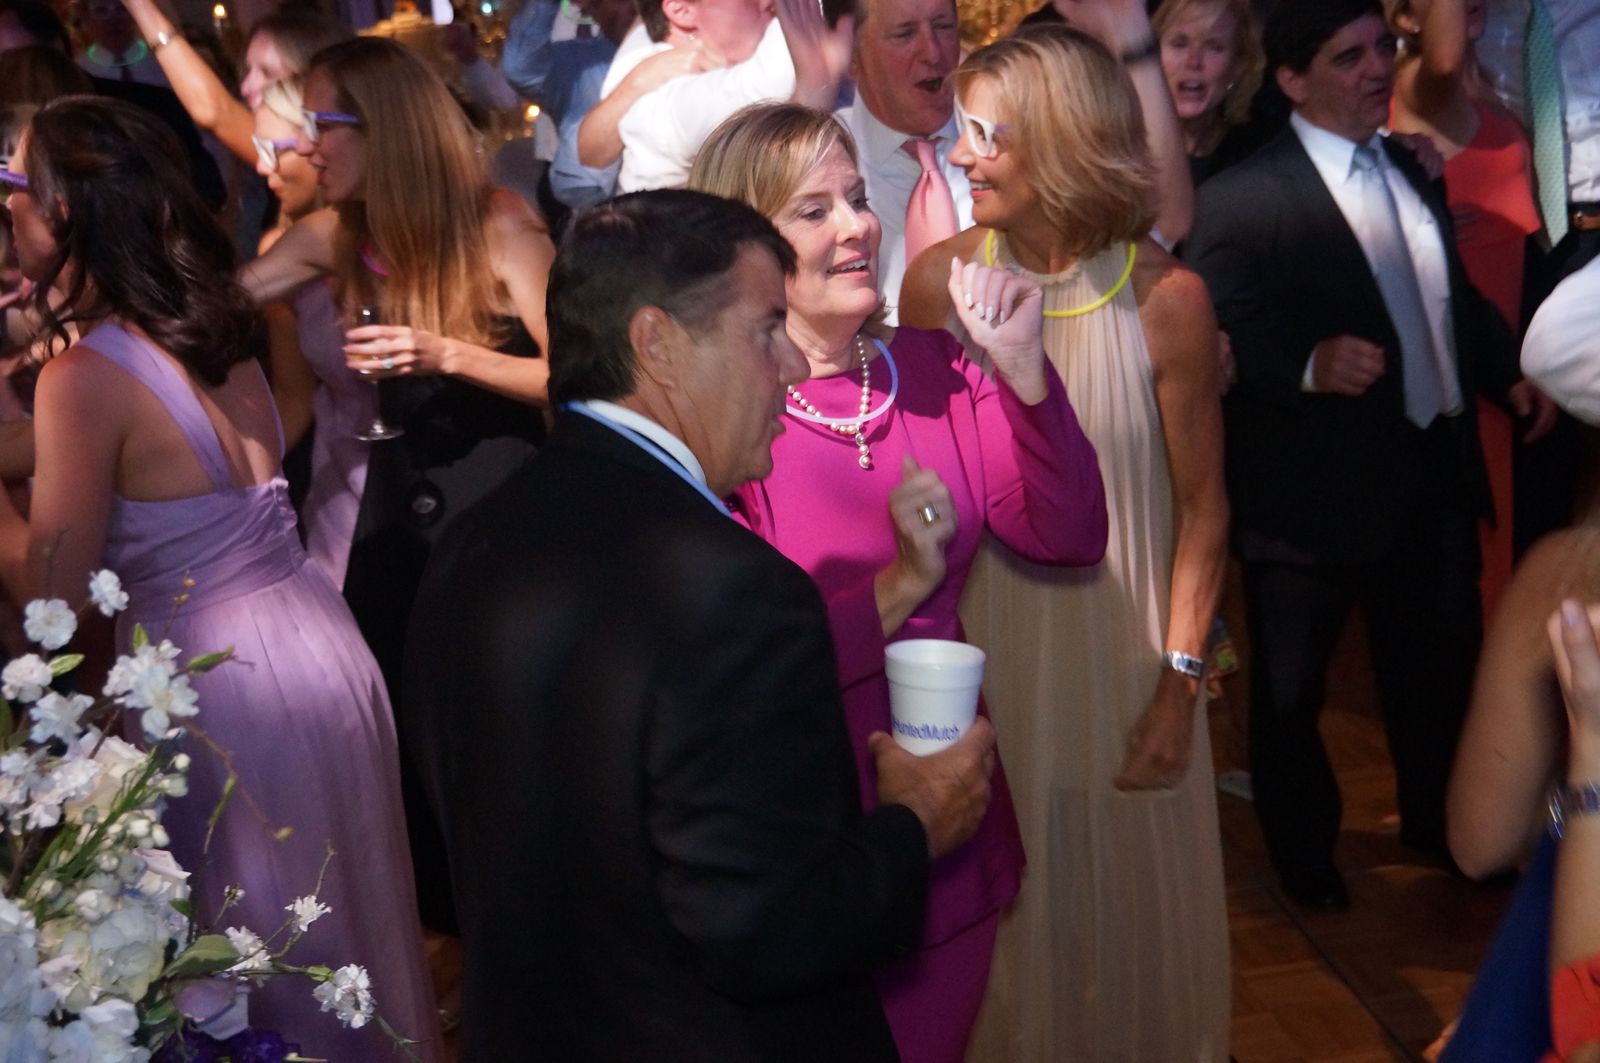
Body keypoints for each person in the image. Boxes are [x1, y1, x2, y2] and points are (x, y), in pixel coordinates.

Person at [405, 187, 998, 1058]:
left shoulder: (467, 544)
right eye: (766, 329)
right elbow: (770, 928)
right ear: (658, 343)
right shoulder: (738, 595)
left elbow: (454, 863)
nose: (790, 367)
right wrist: (916, 823)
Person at [0, 96, 440, 1059]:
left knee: (257, 966)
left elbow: (52, 605)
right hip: (317, 642)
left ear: (64, 210)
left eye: (13, 185)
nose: (4, 208)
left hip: (220, 689)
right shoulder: (211, 328)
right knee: (345, 931)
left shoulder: (84, 377)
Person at [689, 102, 1109, 1062]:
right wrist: (899, 587)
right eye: (813, 211)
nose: (855, 227)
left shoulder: (934, 368)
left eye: (856, 199)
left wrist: (1024, 372)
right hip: (799, 829)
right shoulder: (722, 421)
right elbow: (734, 663)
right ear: (744, 251)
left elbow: (1071, 535)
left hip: (944, 813)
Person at [899, 23, 1230, 1061]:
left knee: (1131, 934)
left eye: (985, 135)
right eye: (962, 131)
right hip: (987, 667)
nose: (960, 155)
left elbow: (1204, 511)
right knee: (1000, 940)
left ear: (1063, 141)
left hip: (1130, 668)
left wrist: (1181, 685)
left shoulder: (1167, 300)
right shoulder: (936, 286)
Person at [1183, 0, 1554, 911]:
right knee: (1292, 692)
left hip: (1428, 473)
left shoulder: (1410, 168)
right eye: (1348, 57)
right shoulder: (1242, 198)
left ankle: (1444, 825)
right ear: (1292, 80)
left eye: (1382, 47)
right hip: (1310, 493)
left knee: (1440, 673)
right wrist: (1307, 363)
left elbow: (1447, 295)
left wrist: (1510, 371)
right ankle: (1304, 857)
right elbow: (1219, 324)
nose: (1378, 68)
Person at [241, 35, 555, 931]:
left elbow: (577, 375)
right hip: (395, 511)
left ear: (385, 129)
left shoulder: (498, 223)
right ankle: (444, 941)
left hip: (497, 512)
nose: (307, 148)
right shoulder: (335, 233)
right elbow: (222, 300)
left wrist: (444, 353)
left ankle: (517, 931)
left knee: (496, 736)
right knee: (400, 728)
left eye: (325, 124)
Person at [1386, 0, 1541, 619]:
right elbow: (1445, 59)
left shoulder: (1494, 87)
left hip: (1515, 361)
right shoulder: (1420, 86)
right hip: (1464, 364)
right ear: (1406, 19)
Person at [117, 0, 351, 166]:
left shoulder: (305, 153)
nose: (246, 87)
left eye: (268, 73)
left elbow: (215, 111)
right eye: (248, 70)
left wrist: (140, 5)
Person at [1153, 0, 1267, 184]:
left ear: (1238, 65)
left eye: (1213, 47)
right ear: (1153, 56)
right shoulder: (1120, 149)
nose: (1193, 61)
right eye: (1179, 44)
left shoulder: (1256, 154)